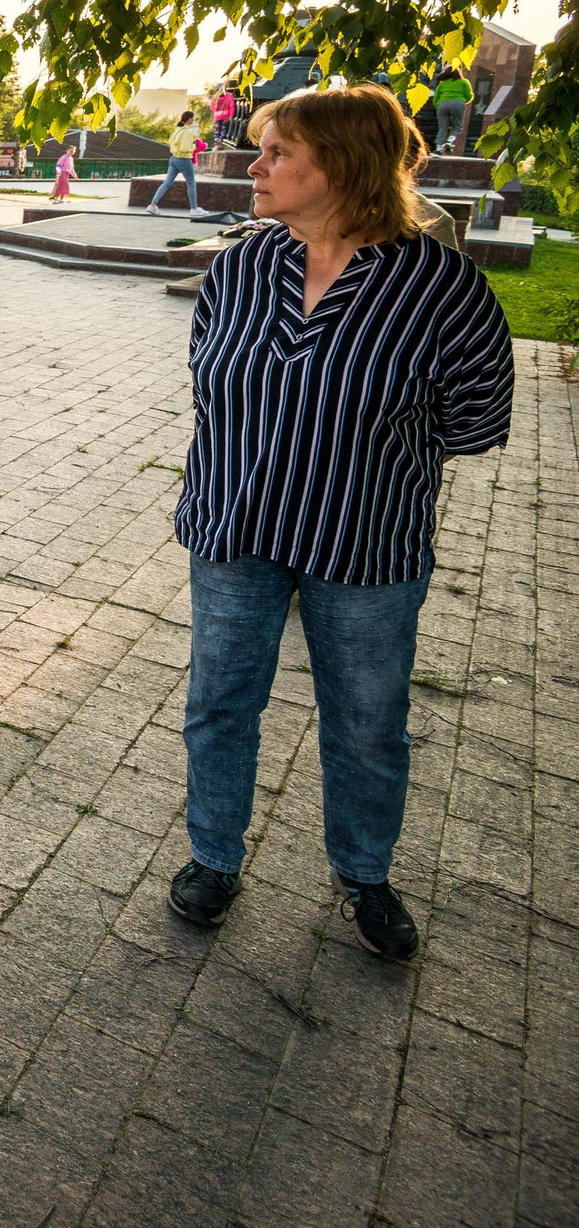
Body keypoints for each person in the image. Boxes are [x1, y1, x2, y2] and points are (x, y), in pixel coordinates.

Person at [167, 87, 514, 961]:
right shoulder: (243, 266)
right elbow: (211, 380)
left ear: (344, 167)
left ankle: (364, 873)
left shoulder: (442, 286)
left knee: (366, 720)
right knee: (219, 701)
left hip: (364, 545)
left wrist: (364, 455)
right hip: (235, 527)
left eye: (278, 153)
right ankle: (213, 857)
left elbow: (477, 418)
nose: (255, 166)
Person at [147, 110, 202, 213]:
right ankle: (194, 209)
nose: (193, 120)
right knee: (191, 183)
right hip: (184, 159)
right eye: (192, 118)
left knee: (166, 183)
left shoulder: (178, 129)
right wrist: (194, 146)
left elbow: (171, 142)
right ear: (189, 119)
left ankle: (153, 205)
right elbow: (185, 148)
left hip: (173, 159)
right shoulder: (187, 131)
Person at [430, 68, 473, 154]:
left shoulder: (442, 84)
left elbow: (435, 98)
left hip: (442, 104)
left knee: (442, 127)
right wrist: (463, 101)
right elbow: (469, 96)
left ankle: (438, 149)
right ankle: (449, 141)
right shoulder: (464, 82)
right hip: (458, 103)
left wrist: (437, 105)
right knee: (457, 126)